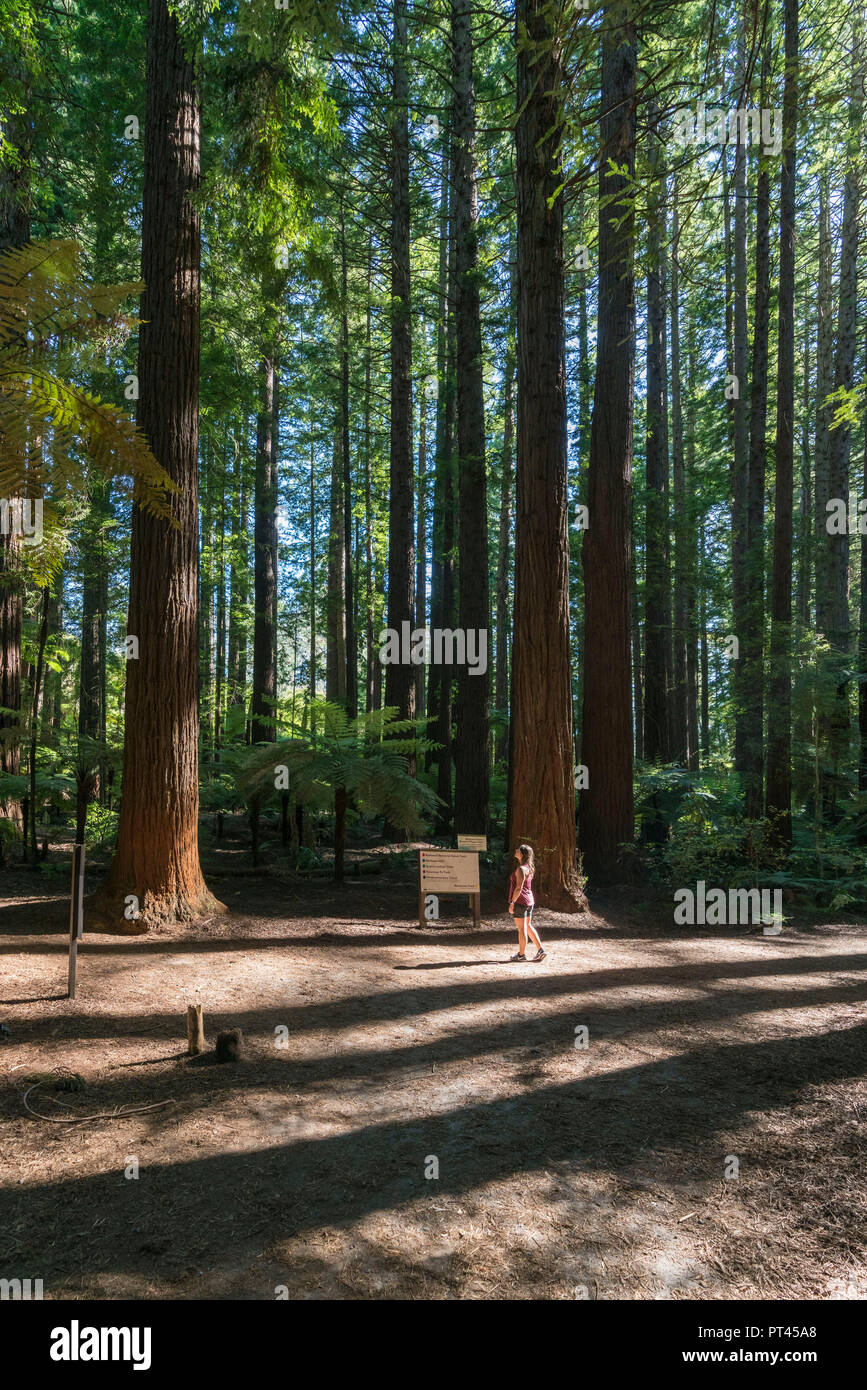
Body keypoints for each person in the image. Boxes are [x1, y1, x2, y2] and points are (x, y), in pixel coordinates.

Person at [508, 843, 545, 962]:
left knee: (522, 929)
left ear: (522, 854)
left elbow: (518, 888)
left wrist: (512, 902)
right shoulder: (529, 867)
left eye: (518, 850)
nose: (516, 850)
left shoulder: (521, 869)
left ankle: (521, 955)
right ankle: (541, 950)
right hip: (529, 901)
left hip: (520, 901)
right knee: (528, 926)